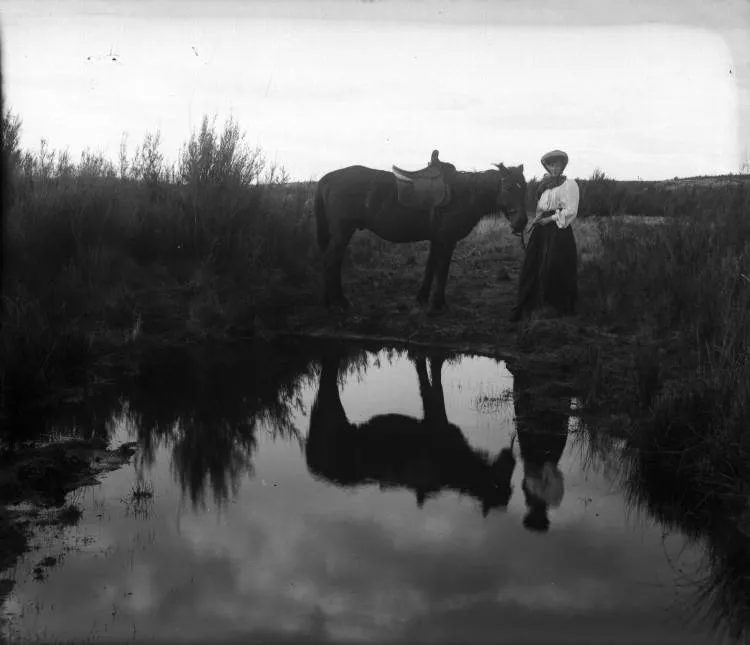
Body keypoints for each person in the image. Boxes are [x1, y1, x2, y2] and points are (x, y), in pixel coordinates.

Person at [509, 149, 580, 322]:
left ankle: (554, 308)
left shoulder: (569, 184)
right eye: (551, 165)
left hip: (559, 230)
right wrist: (536, 220)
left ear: (563, 166)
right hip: (541, 230)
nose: (554, 168)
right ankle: (531, 304)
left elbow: (571, 210)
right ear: (547, 167)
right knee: (533, 264)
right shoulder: (544, 187)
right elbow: (541, 209)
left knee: (554, 265)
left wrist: (549, 220)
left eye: (558, 165)